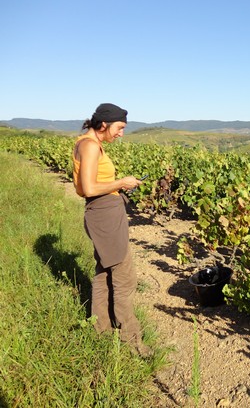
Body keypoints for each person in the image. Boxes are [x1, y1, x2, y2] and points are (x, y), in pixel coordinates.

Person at [72, 102, 151, 357]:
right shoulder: (90, 146)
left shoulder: (89, 143)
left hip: (103, 212)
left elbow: (93, 185)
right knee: (124, 278)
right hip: (104, 214)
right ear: (104, 124)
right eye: (120, 127)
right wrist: (122, 182)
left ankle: (101, 330)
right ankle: (132, 342)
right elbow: (89, 188)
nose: (121, 133)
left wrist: (119, 186)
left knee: (104, 273)